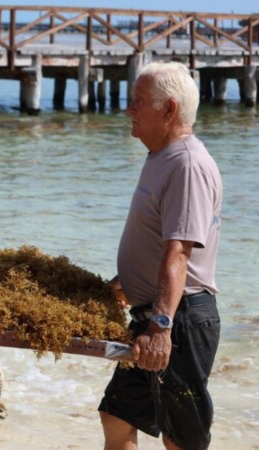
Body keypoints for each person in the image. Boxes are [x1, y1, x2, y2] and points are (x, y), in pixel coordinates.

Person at [98, 62, 222, 450]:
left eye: (139, 102)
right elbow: (156, 237)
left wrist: (161, 328)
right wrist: (125, 283)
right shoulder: (161, 156)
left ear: (168, 109)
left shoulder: (187, 164)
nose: (128, 109)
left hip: (178, 320)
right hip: (154, 314)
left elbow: (179, 253)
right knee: (117, 416)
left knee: (181, 440)